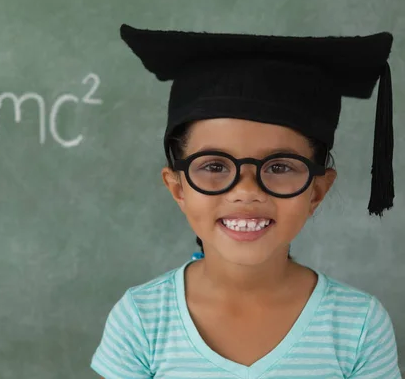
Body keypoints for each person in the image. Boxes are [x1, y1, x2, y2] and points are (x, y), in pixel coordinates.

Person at [90, 24, 401, 378]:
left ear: (316, 191)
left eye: (280, 166)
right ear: (178, 188)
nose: (246, 190)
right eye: (214, 166)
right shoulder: (142, 320)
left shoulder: (357, 325)